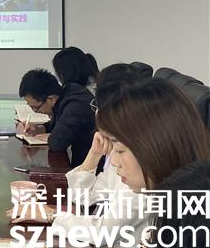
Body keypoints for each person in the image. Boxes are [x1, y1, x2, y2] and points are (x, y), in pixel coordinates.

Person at [11, 63, 150, 247]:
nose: (95, 112)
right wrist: (93, 155)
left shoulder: (140, 171)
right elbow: (83, 198)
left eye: (98, 104)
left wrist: (50, 215)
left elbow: (101, 233)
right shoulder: (122, 154)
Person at [96, 78, 210, 247]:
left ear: (157, 146)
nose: (113, 162)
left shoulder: (194, 218)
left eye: (119, 150)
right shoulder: (171, 201)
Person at [18, 68, 95, 167]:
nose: (36, 111)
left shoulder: (75, 105)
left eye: (35, 108)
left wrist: (52, 137)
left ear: (50, 99)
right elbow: (57, 123)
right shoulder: (66, 93)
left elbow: (57, 144)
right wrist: (39, 129)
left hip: (92, 167)